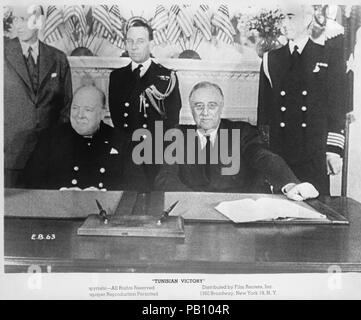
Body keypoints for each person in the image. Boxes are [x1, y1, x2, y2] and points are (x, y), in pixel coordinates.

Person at [155, 81, 319, 201]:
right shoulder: (178, 136)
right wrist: (195, 201)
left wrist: (289, 184)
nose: (205, 112)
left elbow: (264, 157)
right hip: (191, 213)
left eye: (212, 106)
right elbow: (165, 178)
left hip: (237, 217)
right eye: (198, 106)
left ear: (221, 107)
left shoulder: (242, 132)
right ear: (191, 109)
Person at [257, 5, 347, 195]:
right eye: (282, 18)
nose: (284, 24)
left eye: (290, 17)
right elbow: (264, 113)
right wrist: (264, 154)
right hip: (280, 152)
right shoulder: (270, 59)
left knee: (315, 212)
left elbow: (337, 107)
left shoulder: (329, 56)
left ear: (307, 19)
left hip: (313, 151)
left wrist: (333, 150)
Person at [22, 85, 146, 191]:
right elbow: (28, 184)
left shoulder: (122, 141)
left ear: (103, 113)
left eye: (88, 110)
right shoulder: (51, 138)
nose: (79, 115)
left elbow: (137, 187)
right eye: (75, 108)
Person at [4, 5, 73, 187]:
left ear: (39, 22)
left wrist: (55, 146)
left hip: (47, 157)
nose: (19, 25)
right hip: (9, 157)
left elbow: (66, 106)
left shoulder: (58, 58)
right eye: (16, 19)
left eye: (25, 19)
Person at [108, 18, 182, 185]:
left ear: (151, 43)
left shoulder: (167, 77)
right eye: (130, 41)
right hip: (127, 154)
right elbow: (118, 121)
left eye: (140, 41)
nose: (134, 46)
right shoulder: (117, 77)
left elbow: (172, 122)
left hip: (156, 153)